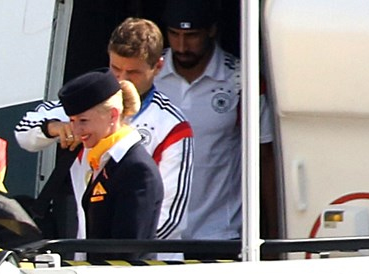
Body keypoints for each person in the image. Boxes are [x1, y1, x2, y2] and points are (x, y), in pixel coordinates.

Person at [15, 17, 193, 254]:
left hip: (149, 260)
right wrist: (55, 128)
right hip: (87, 252)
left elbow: (170, 217)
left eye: (133, 72)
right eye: (115, 68)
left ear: (158, 67)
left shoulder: (170, 124)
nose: (122, 79)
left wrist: (114, 247)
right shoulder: (86, 103)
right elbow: (23, 132)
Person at [155, 0, 277, 256]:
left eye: (191, 36)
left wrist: (275, 236)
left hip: (222, 234)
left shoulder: (242, 79)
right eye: (174, 34)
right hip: (159, 234)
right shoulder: (148, 74)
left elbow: (265, 157)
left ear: (211, 30)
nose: (181, 46)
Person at [57, 69, 164, 260]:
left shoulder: (136, 169)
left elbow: (128, 251)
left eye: (83, 121)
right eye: (72, 121)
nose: (76, 130)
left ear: (113, 115)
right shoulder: (106, 160)